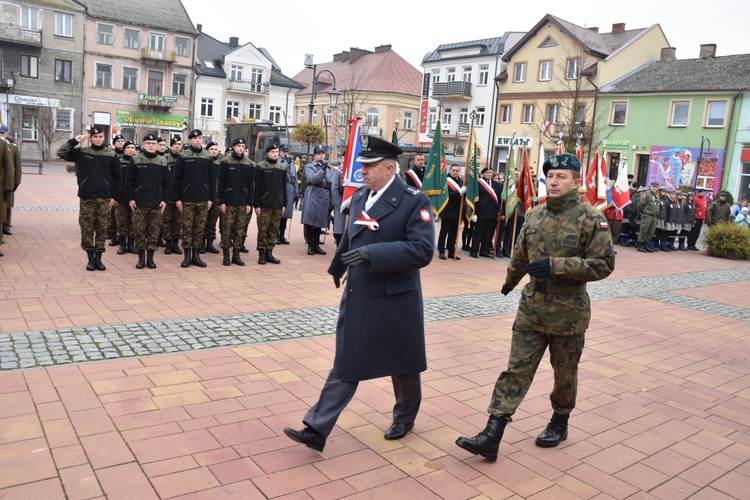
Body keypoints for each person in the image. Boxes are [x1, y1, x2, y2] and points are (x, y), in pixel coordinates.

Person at [455, 152, 615, 462]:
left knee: (564, 373)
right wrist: (510, 281)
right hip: (532, 307)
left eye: (561, 177)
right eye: (550, 176)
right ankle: (493, 432)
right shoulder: (535, 214)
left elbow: (603, 265)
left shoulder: (591, 218)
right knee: (516, 370)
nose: (553, 182)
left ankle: (560, 419)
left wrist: (557, 266)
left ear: (576, 182)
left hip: (568, 312)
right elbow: (521, 255)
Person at [283, 134, 435, 452]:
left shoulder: (413, 200)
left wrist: (374, 255)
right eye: (362, 165)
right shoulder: (363, 194)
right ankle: (316, 428)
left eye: (369, 165)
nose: (361, 170)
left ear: (390, 168)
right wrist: (338, 267)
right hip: (361, 294)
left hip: (396, 297)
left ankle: (405, 416)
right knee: (346, 361)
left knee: (402, 363)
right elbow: (355, 238)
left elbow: (422, 250)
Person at [57, 127, 120, 271]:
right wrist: (75, 141)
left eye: (100, 136)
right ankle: (90, 259)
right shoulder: (82, 152)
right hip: (87, 198)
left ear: (104, 138)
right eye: (95, 136)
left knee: (101, 229)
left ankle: (99, 258)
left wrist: (114, 196)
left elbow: (118, 177)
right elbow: (61, 153)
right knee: (86, 229)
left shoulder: (111, 154)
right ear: (90, 138)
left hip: (104, 198)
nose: (98, 139)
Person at [125, 134, 169, 269]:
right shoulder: (136, 159)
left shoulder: (162, 161)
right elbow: (129, 181)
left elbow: (167, 183)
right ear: (143, 145)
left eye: (154, 143)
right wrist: (131, 198)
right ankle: (140, 258)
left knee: (154, 232)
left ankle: (150, 259)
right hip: (139, 203)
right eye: (148, 143)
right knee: (139, 231)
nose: (151, 145)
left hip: (156, 204)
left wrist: (165, 200)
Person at [173, 129, 215, 268]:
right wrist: (177, 198)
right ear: (190, 140)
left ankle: (196, 256)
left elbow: (212, 179)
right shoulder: (184, 156)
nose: (198, 140)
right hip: (187, 199)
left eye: (200, 138)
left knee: (199, 228)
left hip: (203, 199)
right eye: (195, 138)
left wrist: (211, 198)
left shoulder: (207, 156)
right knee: (186, 228)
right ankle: (186, 256)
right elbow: (177, 178)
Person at [217, 138, 255, 266]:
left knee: (240, 230)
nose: (241, 148)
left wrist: (249, 203)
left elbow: (250, 185)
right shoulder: (226, 162)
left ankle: (236, 255)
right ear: (233, 147)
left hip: (242, 202)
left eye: (243, 146)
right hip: (228, 202)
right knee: (227, 229)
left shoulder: (248, 164)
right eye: (238, 146)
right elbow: (220, 183)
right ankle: (226, 255)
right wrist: (221, 202)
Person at [254, 143, 286, 265]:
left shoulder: (281, 167)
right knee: (263, 230)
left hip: (277, 205)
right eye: (272, 152)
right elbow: (256, 187)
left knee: (273, 230)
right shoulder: (261, 167)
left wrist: (284, 204)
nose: (275, 154)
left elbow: (284, 187)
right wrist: (256, 205)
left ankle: (269, 253)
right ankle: (261, 253)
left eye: (277, 152)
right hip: (264, 205)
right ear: (267, 153)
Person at [302, 145, 334, 256]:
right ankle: (310, 245)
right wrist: (322, 170)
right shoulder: (310, 166)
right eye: (319, 153)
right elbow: (313, 179)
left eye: (322, 153)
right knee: (311, 220)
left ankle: (316, 244)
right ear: (315, 155)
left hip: (324, 194)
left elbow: (330, 181)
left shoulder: (328, 168)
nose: (321, 155)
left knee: (319, 221)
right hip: (313, 194)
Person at [471, 167, 503, 258]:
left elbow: (500, 198)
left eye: (490, 172)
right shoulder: (478, 184)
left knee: (488, 233)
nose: (489, 174)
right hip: (481, 212)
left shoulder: (496, 184)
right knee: (478, 232)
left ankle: (484, 250)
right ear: (483, 174)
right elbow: (475, 199)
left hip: (492, 213)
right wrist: (475, 212)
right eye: (487, 172)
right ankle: (474, 250)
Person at [437, 164, 465, 260]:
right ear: (450, 170)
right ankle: (441, 250)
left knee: (453, 233)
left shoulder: (461, 182)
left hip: (457, 211)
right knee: (444, 231)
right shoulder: (445, 181)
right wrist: (458, 192)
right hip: (447, 210)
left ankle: (451, 251)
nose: (455, 172)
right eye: (453, 170)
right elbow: (445, 195)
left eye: (457, 170)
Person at [115, 140, 137, 255]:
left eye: (132, 147)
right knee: (122, 221)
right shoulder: (118, 161)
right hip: (121, 197)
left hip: (134, 197)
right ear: (124, 149)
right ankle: (123, 245)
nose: (130, 149)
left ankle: (131, 245)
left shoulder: (137, 161)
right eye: (128, 147)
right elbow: (115, 179)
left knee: (133, 222)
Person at [163, 136, 183, 255]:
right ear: (171, 145)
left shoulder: (183, 158)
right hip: (168, 194)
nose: (177, 146)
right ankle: (168, 244)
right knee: (167, 220)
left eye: (179, 144)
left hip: (180, 195)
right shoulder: (165, 158)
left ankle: (176, 244)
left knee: (178, 220)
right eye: (175, 144)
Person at [201, 141, 221, 255]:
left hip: (217, 196)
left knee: (212, 221)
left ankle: (210, 243)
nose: (214, 151)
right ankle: (201, 244)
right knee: (203, 220)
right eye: (211, 149)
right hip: (205, 195)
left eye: (215, 149)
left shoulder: (221, 163)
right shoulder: (204, 161)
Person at [278, 144, 298, 245]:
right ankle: (276, 235)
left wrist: (296, 192)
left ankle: (282, 235)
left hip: (290, 188)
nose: (286, 154)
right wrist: (287, 163)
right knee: (279, 213)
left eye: (287, 152)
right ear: (280, 152)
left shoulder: (292, 164)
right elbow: (280, 170)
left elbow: (295, 178)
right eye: (284, 151)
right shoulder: (279, 161)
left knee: (286, 214)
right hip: (281, 187)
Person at [636, 182, 659, 253]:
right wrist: (643, 212)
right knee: (644, 229)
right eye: (653, 187)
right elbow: (640, 205)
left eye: (656, 187)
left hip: (654, 216)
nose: (654, 188)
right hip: (647, 215)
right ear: (650, 186)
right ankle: (640, 245)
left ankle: (646, 244)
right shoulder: (646, 194)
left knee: (651, 231)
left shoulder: (657, 195)